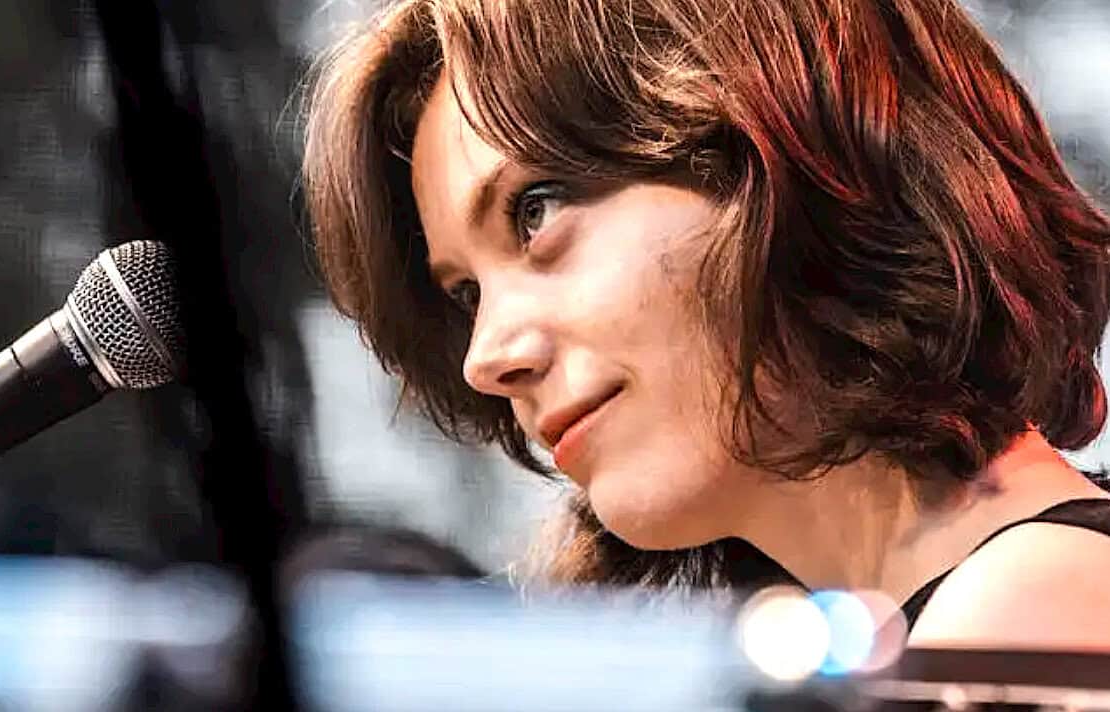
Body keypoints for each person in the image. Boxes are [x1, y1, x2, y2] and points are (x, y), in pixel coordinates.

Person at [300, 0, 1110, 649]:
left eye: (534, 211)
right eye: (468, 295)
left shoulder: (1032, 610)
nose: (485, 359)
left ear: (786, 139)